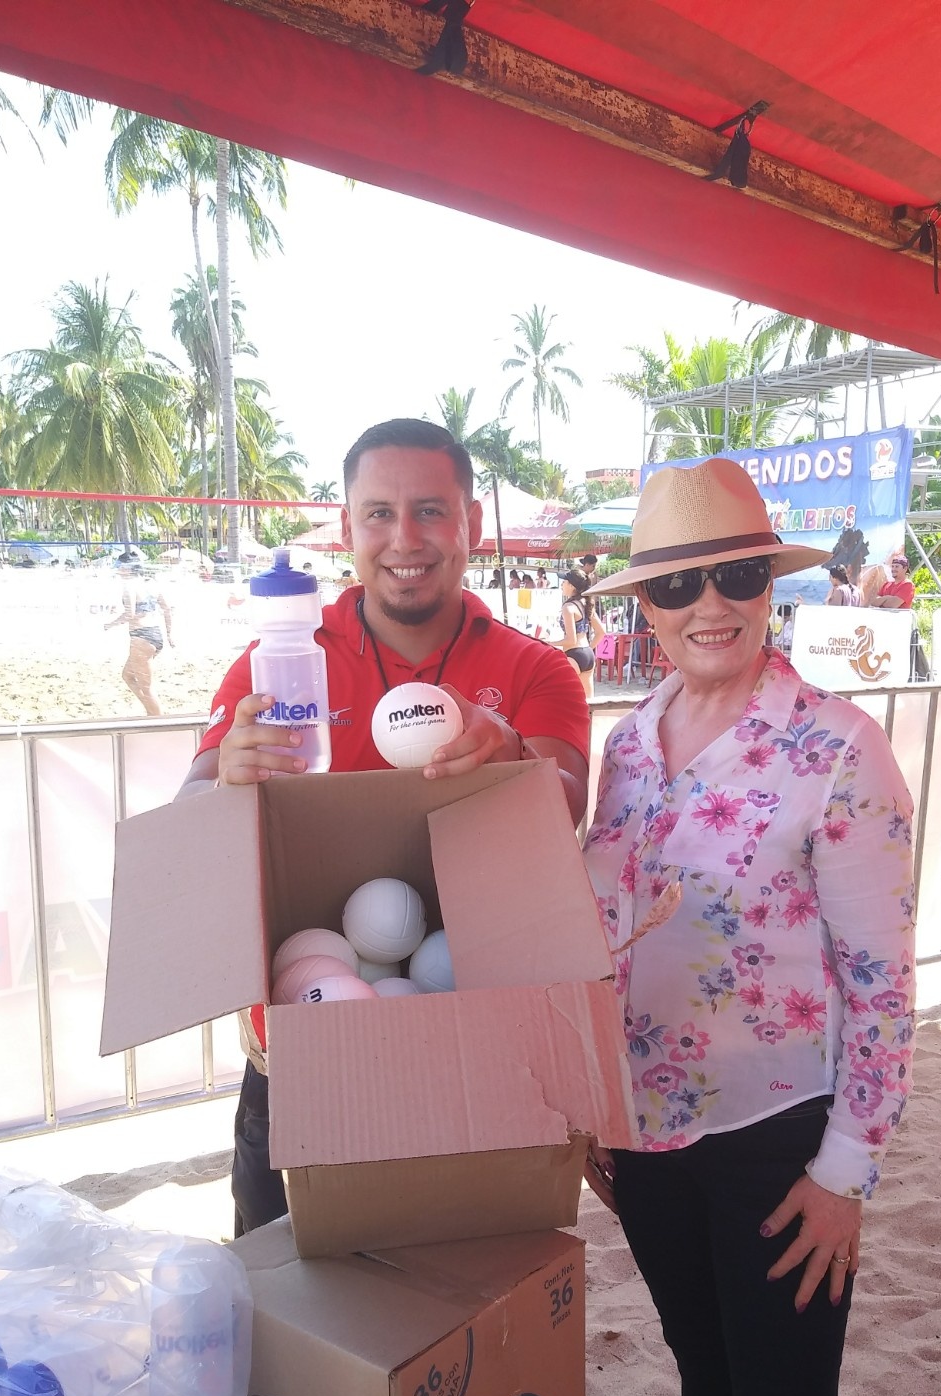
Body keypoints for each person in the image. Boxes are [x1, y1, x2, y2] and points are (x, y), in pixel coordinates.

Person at [581, 458, 915, 1396]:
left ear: (772, 584)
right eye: (679, 587)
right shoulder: (629, 743)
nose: (709, 605)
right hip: (645, 1134)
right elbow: (599, 932)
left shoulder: (838, 748)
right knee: (706, 1391)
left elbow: (883, 982)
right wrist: (589, 1106)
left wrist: (847, 1174)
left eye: (734, 574)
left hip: (781, 1138)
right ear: (646, 608)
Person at [176, 418, 591, 1236]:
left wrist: (511, 756)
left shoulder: (532, 667)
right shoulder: (285, 658)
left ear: (470, 524)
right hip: (301, 1046)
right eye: (379, 514)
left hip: (477, 1038)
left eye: (432, 510)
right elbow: (188, 812)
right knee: (287, 1302)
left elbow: (568, 804)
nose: (406, 538)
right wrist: (226, 778)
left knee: (471, 1291)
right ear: (346, 527)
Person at [104, 553, 174, 716]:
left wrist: (110, 624)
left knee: (146, 687)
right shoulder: (152, 584)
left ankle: (158, 719)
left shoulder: (129, 587)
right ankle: (152, 712)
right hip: (155, 635)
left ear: (127, 568)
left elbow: (130, 614)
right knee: (128, 676)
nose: (119, 570)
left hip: (141, 637)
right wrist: (170, 634)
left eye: (120, 567)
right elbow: (167, 609)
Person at [558, 567, 605, 699]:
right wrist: (588, 649)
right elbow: (601, 632)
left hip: (573, 654)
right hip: (587, 654)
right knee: (588, 702)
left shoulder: (568, 607)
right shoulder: (586, 604)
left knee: (565, 699)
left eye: (564, 582)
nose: (562, 584)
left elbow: (571, 640)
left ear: (572, 586)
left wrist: (549, 642)